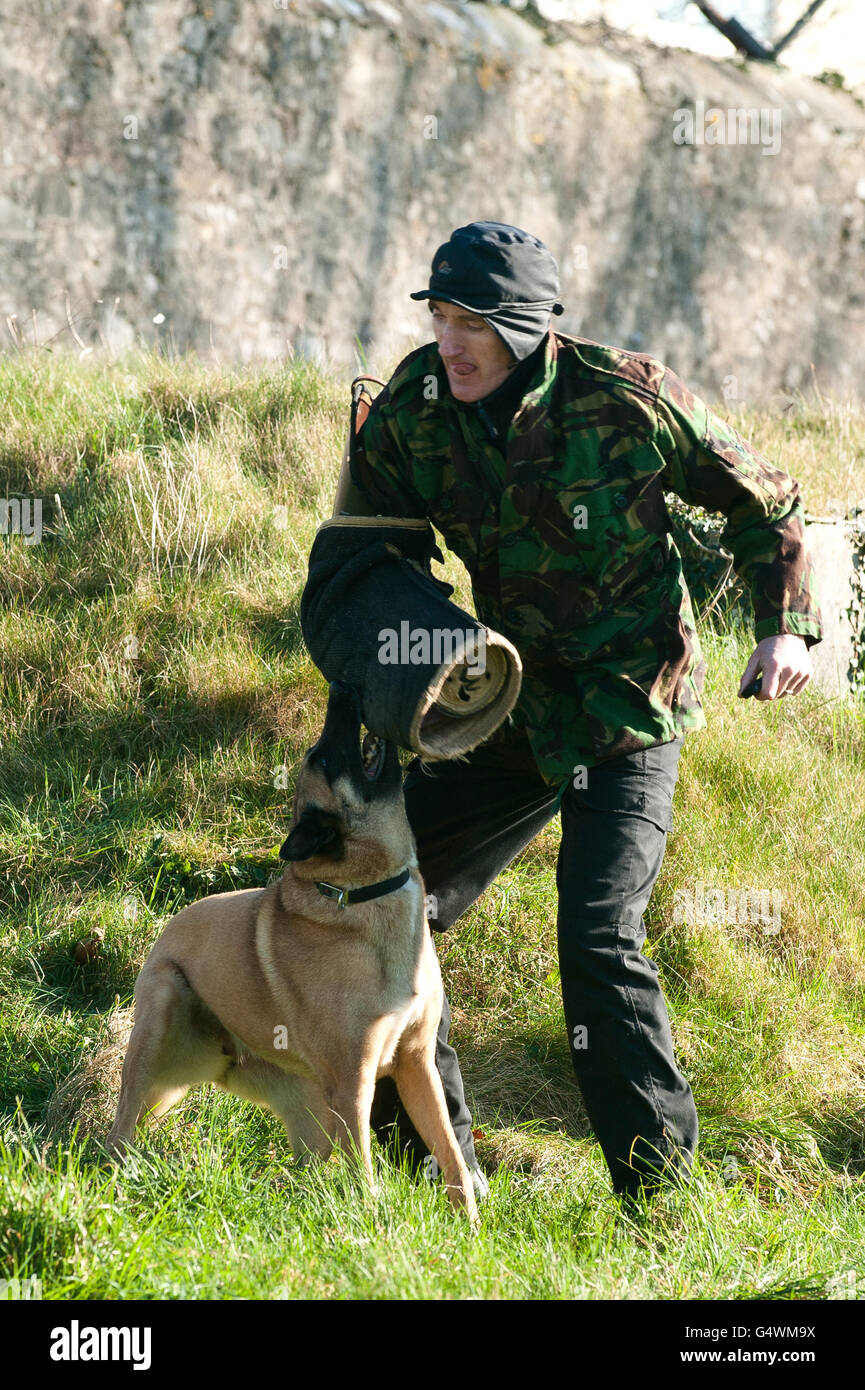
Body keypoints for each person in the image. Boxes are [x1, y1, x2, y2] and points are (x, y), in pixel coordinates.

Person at [324, 220, 822, 1205]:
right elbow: (368, 552)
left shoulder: (626, 398)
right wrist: (396, 665)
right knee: (379, 905)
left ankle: (658, 1196)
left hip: (626, 707)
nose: (452, 341)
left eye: (476, 322)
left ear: (530, 328)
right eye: (440, 315)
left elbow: (766, 499)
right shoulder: (414, 407)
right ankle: (438, 1170)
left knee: (596, 940)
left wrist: (786, 628)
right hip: (503, 702)